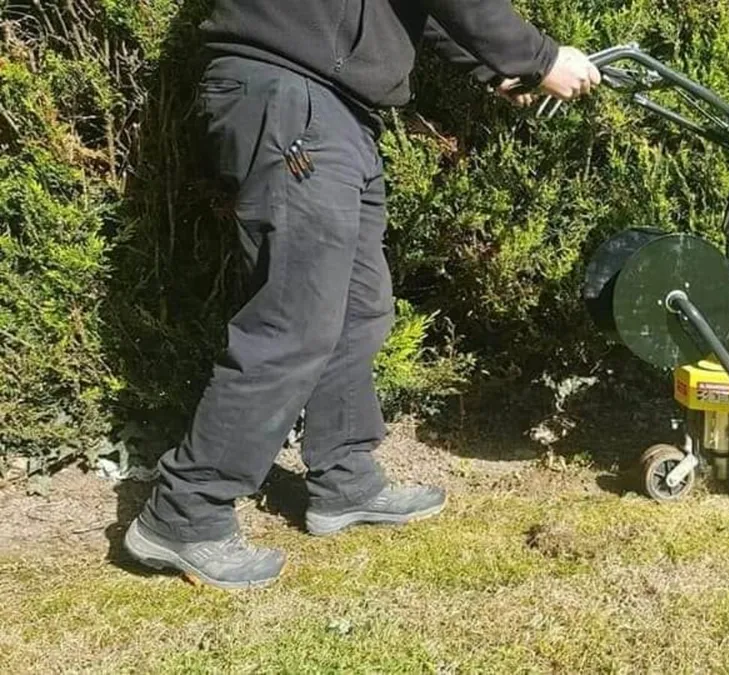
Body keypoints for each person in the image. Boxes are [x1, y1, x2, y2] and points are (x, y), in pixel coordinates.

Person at [122, 0, 601, 590]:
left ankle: (344, 477)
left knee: (357, 306)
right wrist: (540, 57)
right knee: (293, 319)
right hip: (294, 96)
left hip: (334, 109)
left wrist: (499, 68)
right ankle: (184, 512)